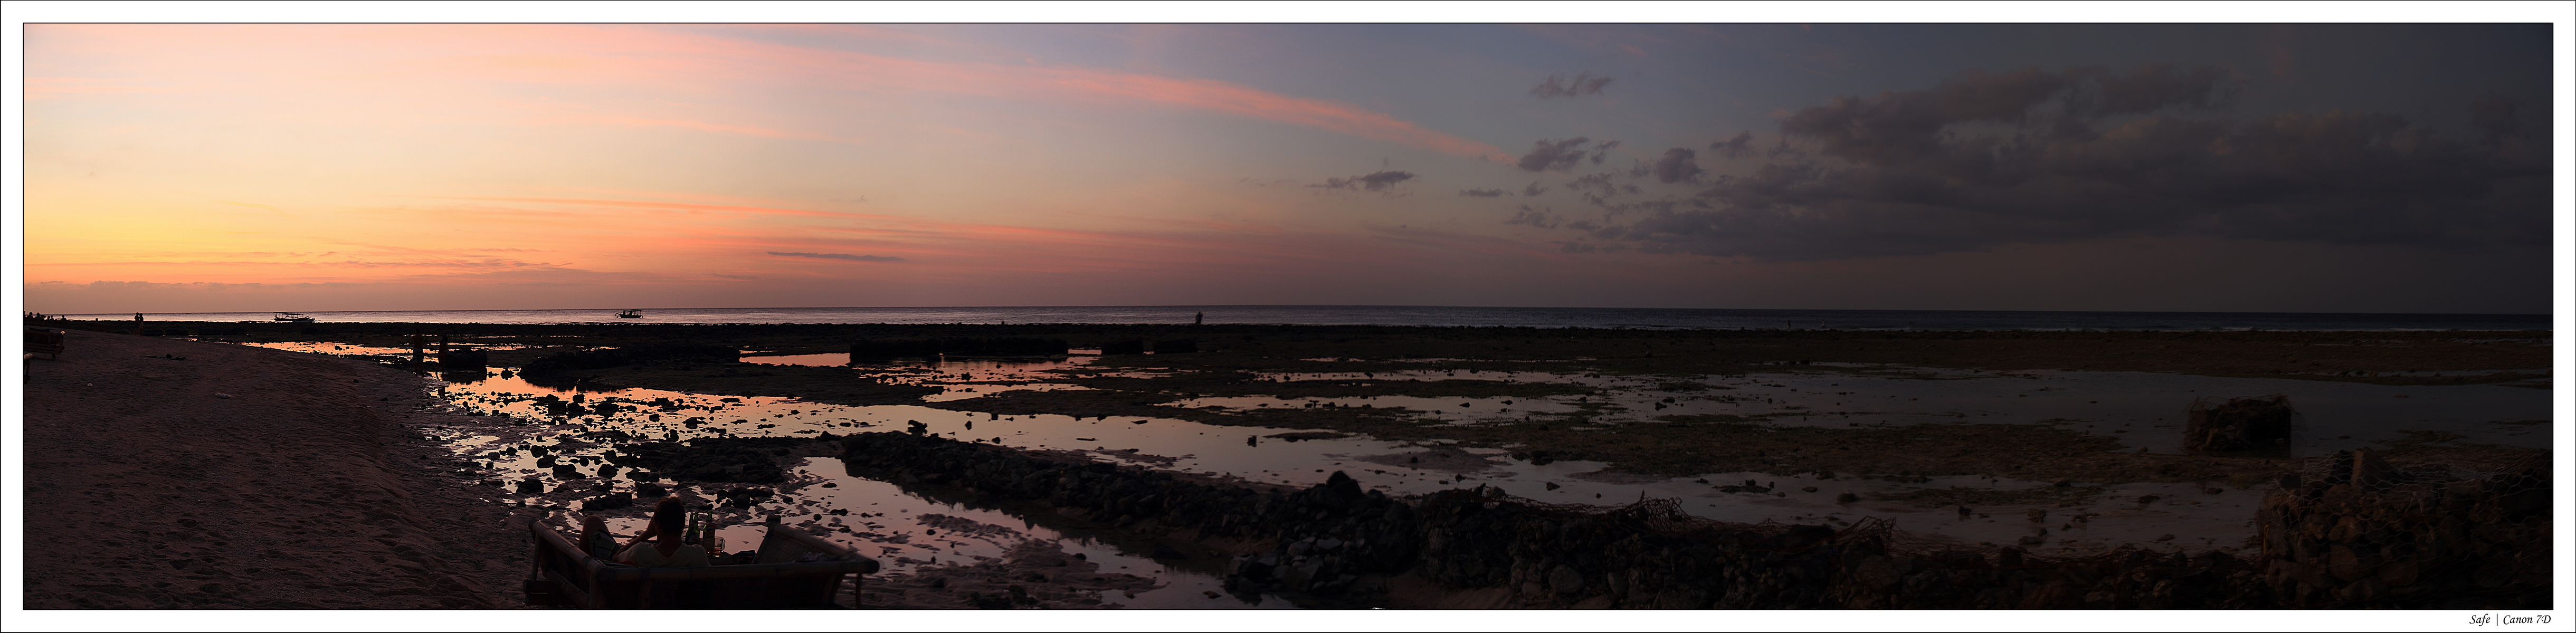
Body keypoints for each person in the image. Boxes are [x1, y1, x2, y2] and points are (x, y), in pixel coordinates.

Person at [616, 498, 711, 567]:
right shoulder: (698, 554)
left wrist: (647, 534)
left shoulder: (639, 552)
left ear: (657, 525)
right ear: (683, 525)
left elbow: (615, 559)